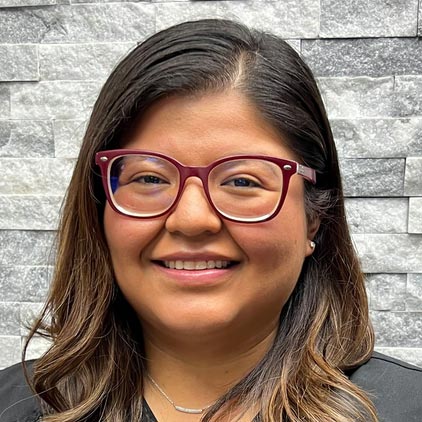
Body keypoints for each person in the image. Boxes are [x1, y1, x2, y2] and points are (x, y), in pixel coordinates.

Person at [0, 19, 421, 422]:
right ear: (98, 208)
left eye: (242, 181)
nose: (191, 219)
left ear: (314, 218)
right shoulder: (15, 405)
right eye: (149, 178)